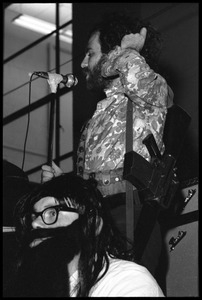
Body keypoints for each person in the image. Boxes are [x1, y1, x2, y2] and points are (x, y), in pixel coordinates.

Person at [41, 12, 174, 278]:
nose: (81, 63)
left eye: (90, 54)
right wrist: (65, 183)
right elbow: (96, 182)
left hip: (129, 216)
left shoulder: (147, 94)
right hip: (94, 222)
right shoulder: (98, 116)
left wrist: (127, 52)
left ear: (111, 54)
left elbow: (142, 81)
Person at [4, 173, 165, 297]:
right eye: (32, 218)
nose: (34, 224)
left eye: (51, 213)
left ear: (92, 225)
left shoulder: (128, 281)